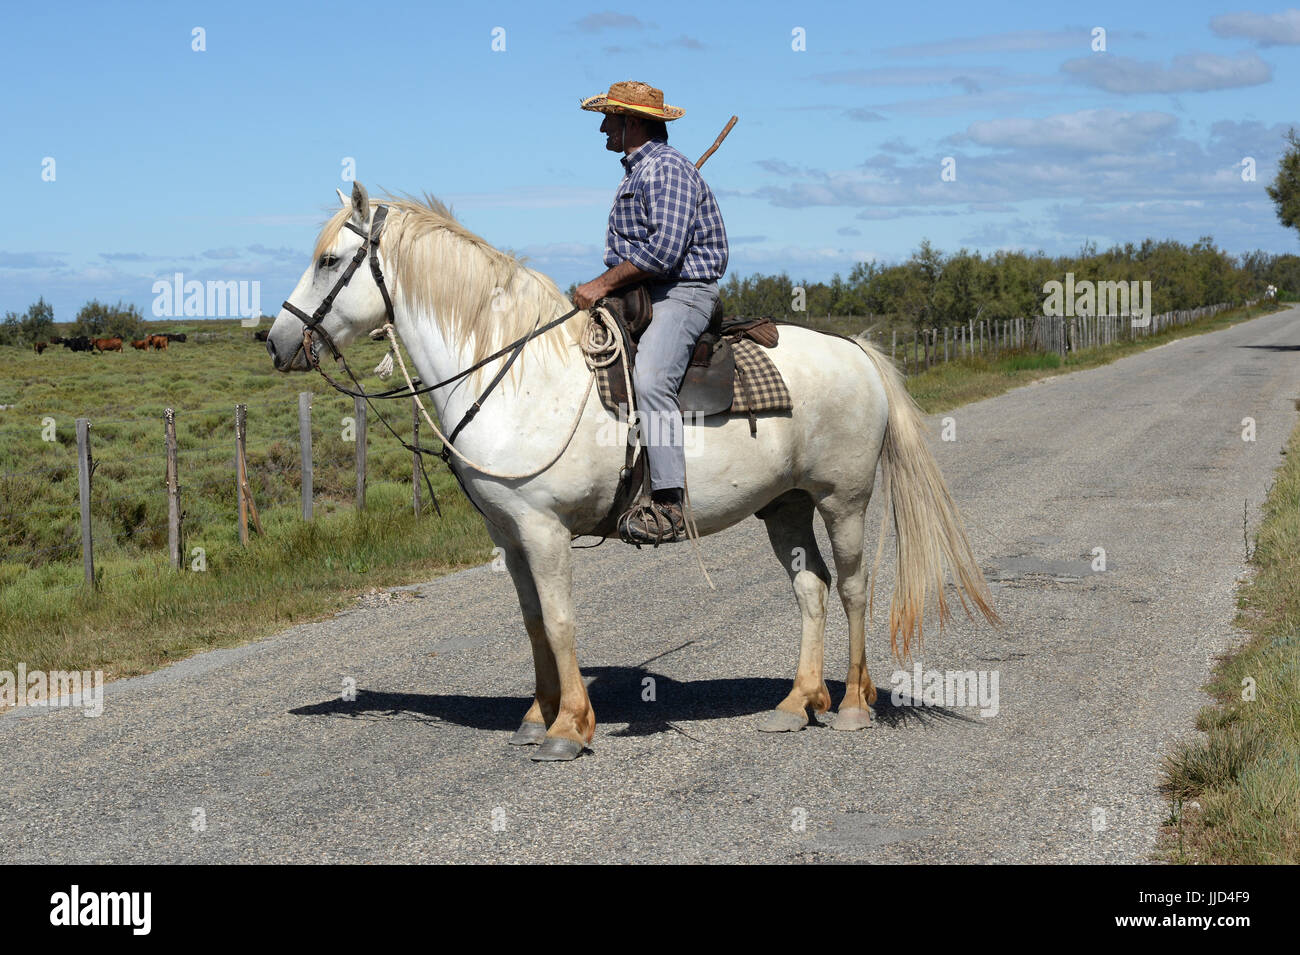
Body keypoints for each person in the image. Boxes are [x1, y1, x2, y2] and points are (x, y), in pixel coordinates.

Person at [572, 81, 729, 545]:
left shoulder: (665, 170)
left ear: (632, 122)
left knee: (652, 378)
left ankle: (670, 503)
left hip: (681, 291)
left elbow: (662, 254)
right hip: (646, 291)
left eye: (609, 119)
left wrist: (601, 284)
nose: (602, 127)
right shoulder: (640, 170)